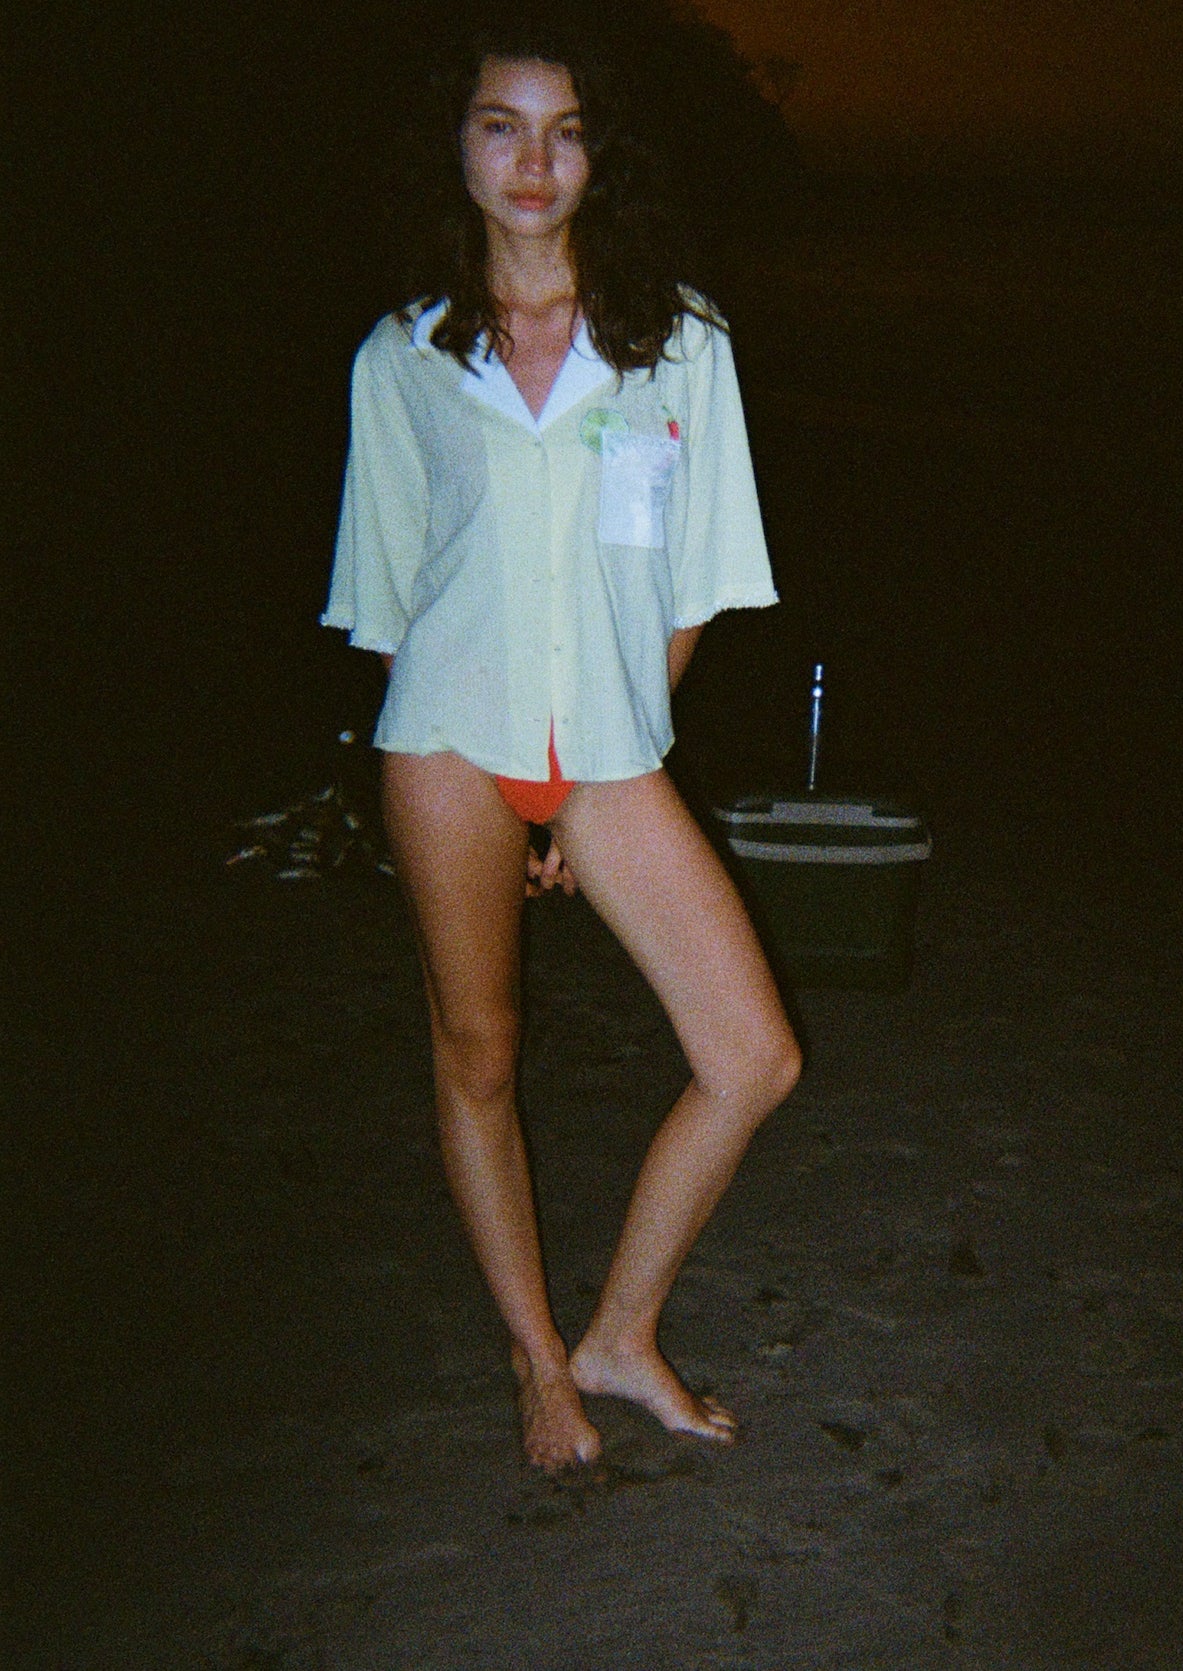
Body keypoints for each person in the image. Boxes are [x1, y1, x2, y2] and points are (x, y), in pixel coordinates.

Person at [321, 6, 800, 1471]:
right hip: (447, 744)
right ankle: (541, 1359)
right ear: (456, 149)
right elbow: (392, 596)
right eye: (499, 124)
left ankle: (621, 1332)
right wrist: (500, 805)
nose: (534, 159)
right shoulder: (401, 360)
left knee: (752, 1056)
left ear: (602, 156)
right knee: (479, 1052)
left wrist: (586, 787)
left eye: (566, 128)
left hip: (603, 749)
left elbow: (699, 581)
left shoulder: (679, 343)